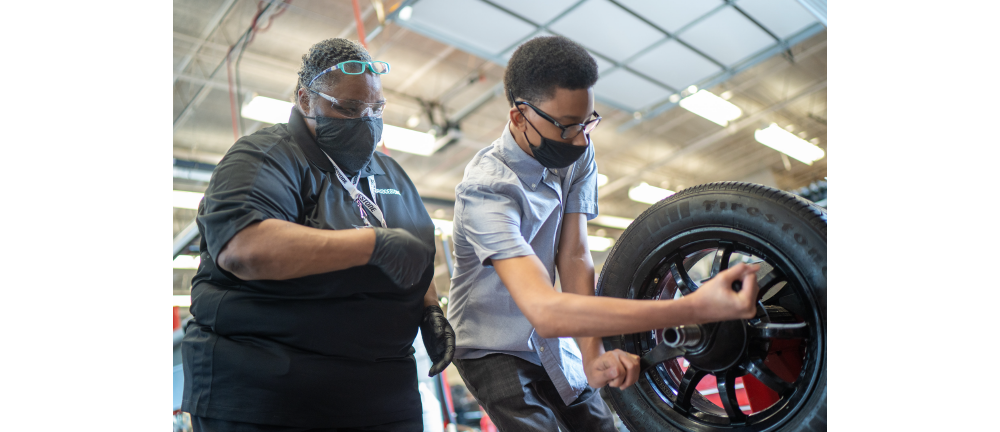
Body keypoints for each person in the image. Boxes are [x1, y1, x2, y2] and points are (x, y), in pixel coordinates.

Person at [447, 36, 762, 431]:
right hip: (493, 343)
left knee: (600, 425)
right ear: (518, 117)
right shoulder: (486, 191)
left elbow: (575, 255)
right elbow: (545, 310)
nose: (580, 139)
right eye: (566, 127)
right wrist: (693, 308)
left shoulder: (578, 152)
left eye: (587, 121)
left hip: (554, 335)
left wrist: (593, 354)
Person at [181, 38, 455, 432]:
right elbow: (244, 248)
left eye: (376, 110)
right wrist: (371, 245)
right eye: (347, 109)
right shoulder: (265, 156)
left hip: (383, 394)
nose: (366, 121)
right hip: (275, 395)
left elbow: (414, 253)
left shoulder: (390, 174)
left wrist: (429, 309)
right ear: (305, 100)